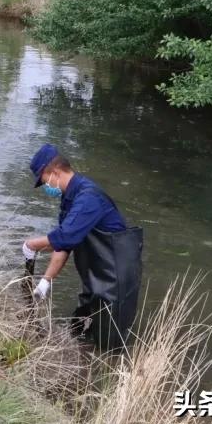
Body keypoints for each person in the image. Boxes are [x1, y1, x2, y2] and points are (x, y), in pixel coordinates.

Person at [21, 144, 143, 350]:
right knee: (78, 328)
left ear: (54, 173)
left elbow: (64, 236)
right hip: (96, 274)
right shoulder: (70, 198)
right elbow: (64, 244)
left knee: (110, 342)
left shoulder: (88, 197)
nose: (45, 187)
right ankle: (84, 361)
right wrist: (45, 282)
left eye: (43, 182)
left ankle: (111, 374)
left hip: (116, 276)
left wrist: (33, 245)